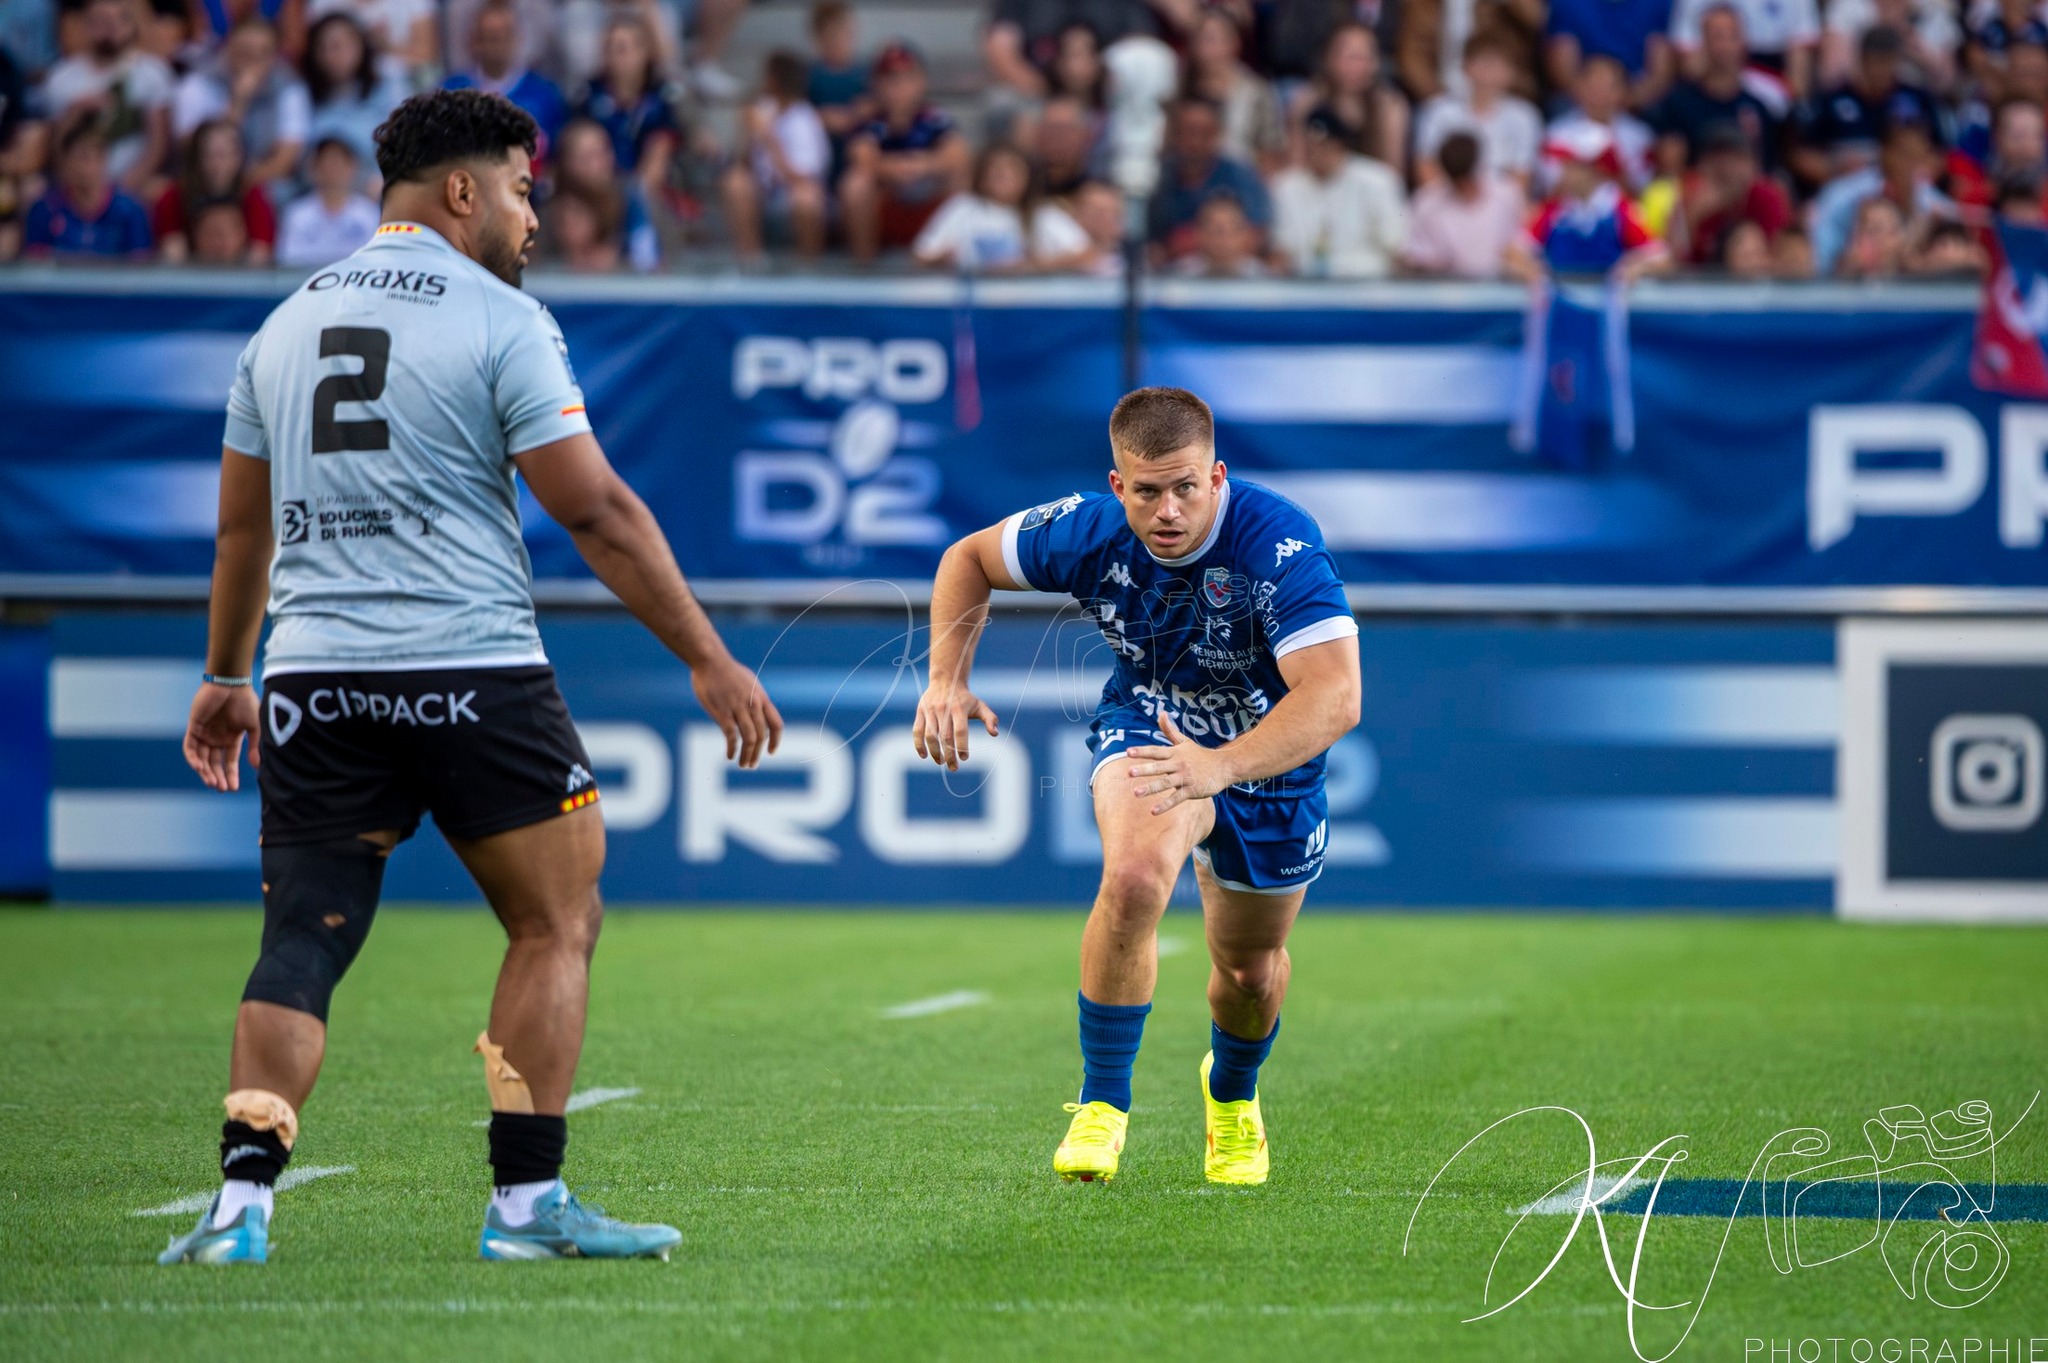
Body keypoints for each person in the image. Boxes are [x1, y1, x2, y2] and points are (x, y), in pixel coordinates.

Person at [162, 88, 782, 1268]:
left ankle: (241, 1206)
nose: (530, 216)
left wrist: (222, 673)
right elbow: (592, 507)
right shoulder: (501, 317)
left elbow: (242, 535)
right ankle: (524, 1208)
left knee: (302, 936)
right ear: (460, 191)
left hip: (314, 678)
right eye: (518, 187)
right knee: (555, 918)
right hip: (472, 669)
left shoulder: (282, 326)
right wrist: (705, 654)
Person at [912, 386, 1360, 1188]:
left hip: (1269, 761)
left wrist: (1220, 767)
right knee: (1133, 878)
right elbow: (967, 559)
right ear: (1117, 487)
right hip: (1151, 726)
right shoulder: (1087, 531)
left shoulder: (1279, 541)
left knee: (1250, 972)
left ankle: (1231, 1095)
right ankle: (1102, 1105)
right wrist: (945, 680)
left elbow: (1335, 695)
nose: (1168, 510)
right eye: (1147, 490)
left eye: (1186, 486)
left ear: (1217, 476)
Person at [838, 42, 969, 262]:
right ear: (877, 84)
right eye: (891, 80)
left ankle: (946, 259)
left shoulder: (934, 117)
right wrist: (891, 169)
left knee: (960, 175)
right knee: (855, 184)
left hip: (928, 208)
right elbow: (861, 156)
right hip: (886, 207)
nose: (900, 88)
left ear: (921, 82)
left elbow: (958, 153)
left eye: (908, 79)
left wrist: (925, 165)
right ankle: (863, 264)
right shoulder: (869, 119)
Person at [40, 0, 175, 196]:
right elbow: (54, 151)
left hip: (133, 182)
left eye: (119, 20)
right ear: (85, 26)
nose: (110, 29)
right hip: (76, 184)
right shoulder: (61, 79)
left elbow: (158, 145)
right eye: (101, 21)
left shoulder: (153, 73)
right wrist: (74, 113)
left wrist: (127, 185)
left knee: (159, 189)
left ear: (131, 26)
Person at [1507, 121, 1670, 280]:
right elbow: (1513, 253)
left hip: (1607, 305)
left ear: (1595, 169)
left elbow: (1662, 258)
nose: (1562, 171)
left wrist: (1635, 268)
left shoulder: (1621, 210)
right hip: (1560, 305)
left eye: (1572, 165)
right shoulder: (1554, 209)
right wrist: (1532, 271)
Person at [1790, 26, 1943, 186]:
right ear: (1862, 60)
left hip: (1907, 188)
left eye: (1889, 62)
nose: (1883, 70)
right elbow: (1801, 155)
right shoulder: (1833, 99)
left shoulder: (1916, 98)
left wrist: (1914, 173)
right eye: (1877, 62)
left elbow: (1939, 153)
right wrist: (1834, 170)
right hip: (1845, 187)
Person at [172, 16, 310, 193]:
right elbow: (192, 152)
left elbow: (284, 161)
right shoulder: (198, 84)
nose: (253, 60)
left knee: (279, 193)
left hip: (262, 181)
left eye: (263, 53)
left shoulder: (289, 87)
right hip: (207, 180)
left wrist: (239, 187)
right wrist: (238, 102)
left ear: (275, 57)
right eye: (245, 51)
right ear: (228, 48)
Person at [1650, 4, 1789, 174]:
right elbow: (1669, 171)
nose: (1725, 46)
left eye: (1732, 37)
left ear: (1744, 43)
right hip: (1695, 194)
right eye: (1717, 37)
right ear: (1703, 42)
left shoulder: (1758, 109)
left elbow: (1765, 173)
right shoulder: (1677, 104)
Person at [1269, 105, 1405, 278]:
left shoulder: (1378, 181)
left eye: (1325, 145)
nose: (1317, 153)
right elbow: (1282, 251)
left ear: (1341, 145)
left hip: (1367, 286)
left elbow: (1396, 246)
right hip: (1305, 286)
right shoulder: (1286, 187)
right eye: (1312, 146)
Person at [911, 139, 1087, 272]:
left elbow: (1086, 254)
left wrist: (1035, 265)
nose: (1003, 176)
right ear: (983, 175)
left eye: (1012, 170)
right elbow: (922, 255)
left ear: (1026, 177)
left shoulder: (1042, 214)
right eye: (996, 170)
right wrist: (943, 260)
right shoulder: (962, 208)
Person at [721, 48, 829, 260]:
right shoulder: (763, 109)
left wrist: (769, 139)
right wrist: (746, 133)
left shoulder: (804, 119)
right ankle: (751, 260)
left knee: (806, 198)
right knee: (735, 181)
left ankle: (809, 264)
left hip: (794, 198)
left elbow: (802, 179)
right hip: (763, 196)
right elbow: (741, 164)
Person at [1808, 116, 1952, 273]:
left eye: (1917, 156)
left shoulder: (1930, 199)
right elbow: (1819, 255)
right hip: (1845, 283)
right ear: (1885, 154)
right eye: (1905, 155)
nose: (1911, 165)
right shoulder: (1841, 194)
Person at [1147, 95, 1269, 262]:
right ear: (1174, 134)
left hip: (1231, 272)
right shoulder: (1157, 175)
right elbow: (1150, 243)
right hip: (1175, 276)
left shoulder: (1239, 174)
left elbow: (1256, 236)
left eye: (1205, 134)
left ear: (1217, 135)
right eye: (1189, 132)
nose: (1196, 142)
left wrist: (1197, 242)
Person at [444, 1, 570, 158]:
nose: (497, 46)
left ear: (518, 38)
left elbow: (555, 158)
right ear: (475, 41)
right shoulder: (452, 92)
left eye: (504, 36)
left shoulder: (545, 94)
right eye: (491, 37)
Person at [1414, 33, 1543, 186]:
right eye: (1483, 61)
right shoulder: (1438, 110)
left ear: (1513, 72)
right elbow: (1425, 166)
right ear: (1465, 65)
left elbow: (1522, 177)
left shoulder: (1525, 116)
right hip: (1446, 199)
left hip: (1501, 203)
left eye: (1497, 63)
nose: (1489, 69)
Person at [576, 14, 679, 202]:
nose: (615, 56)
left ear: (645, 52)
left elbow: (661, 150)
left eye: (622, 48)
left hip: (649, 194)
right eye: (609, 48)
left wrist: (634, 197)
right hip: (597, 192)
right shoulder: (589, 94)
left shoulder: (661, 96)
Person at [23, 115, 154, 257]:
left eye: (90, 158)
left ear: (103, 161)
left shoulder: (130, 211)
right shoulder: (45, 209)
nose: (84, 167)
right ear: (66, 163)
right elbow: (35, 268)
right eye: (78, 158)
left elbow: (140, 267)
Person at [1290, 23, 1408, 179]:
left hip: (1369, 193)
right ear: (1329, 59)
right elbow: (1295, 169)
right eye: (1350, 57)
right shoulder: (1307, 102)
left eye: (1364, 58)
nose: (1357, 66)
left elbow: (1393, 176)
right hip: (1318, 190)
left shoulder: (1390, 106)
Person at [1402, 129, 1526, 278]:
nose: (1466, 188)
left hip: (1499, 287)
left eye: (1469, 181)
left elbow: (1518, 248)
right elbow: (1416, 259)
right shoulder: (1426, 203)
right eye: (1459, 184)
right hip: (1444, 290)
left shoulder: (1507, 195)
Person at [154, 116, 277, 262]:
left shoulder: (254, 196)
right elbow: (170, 249)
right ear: (197, 157)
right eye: (210, 155)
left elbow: (260, 253)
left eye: (224, 155)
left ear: (239, 157)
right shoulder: (173, 197)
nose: (217, 164)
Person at [301, 11, 404, 184]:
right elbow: (301, 160)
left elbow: (402, 146)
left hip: (379, 187)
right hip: (322, 191)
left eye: (339, 46)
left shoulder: (388, 85)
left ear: (361, 45)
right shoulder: (304, 93)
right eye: (323, 48)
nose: (332, 55)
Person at [1184, 8, 1283, 174]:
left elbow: (1270, 150)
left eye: (1212, 40)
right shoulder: (1183, 88)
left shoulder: (1256, 92)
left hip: (1242, 179)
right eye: (1199, 39)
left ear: (1234, 43)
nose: (1205, 48)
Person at [552, 115, 658, 270]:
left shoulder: (634, 200)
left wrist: (617, 261)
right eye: (585, 158)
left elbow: (654, 262)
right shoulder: (548, 212)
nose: (595, 165)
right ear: (566, 162)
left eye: (601, 154)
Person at [1678, 120, 1791, 264]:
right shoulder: (1691, 198)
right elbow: (1677, 262)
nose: (1726, 170)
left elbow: (1782, 256)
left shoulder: (1767, 196)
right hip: (1706, 283)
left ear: (1751, 164)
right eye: (1716, 162)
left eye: (1734, 160)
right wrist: (1693, 216)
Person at [1544, 54, 1657, 191]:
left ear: (1623, 91)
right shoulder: (1556, 134)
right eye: (1594, 85)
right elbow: (1548, 193)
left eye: (1608, 87)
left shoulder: (1641, 137)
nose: (1600, 94)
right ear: (1580, 87)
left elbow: (1641, 197)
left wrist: (1612, 170)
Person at [1670, 0, 1819, 97]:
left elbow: (1801, 51)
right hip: (1710, 74)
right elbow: (1688, 60)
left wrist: (1794, 102)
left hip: (1771, 74)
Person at [1544, 0, 1675, 104]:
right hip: (1581, 97)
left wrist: (1625, 99)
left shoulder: (1657, 3)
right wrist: (1598, 97)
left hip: (1638, 96)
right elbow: (1564, 71)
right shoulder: (1567, 3)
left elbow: (1658, 73)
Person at [276, 133, 376, 264]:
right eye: (327, 162)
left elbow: (374, 262)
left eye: (338, 163)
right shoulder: (297, 215)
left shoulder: (369, 214)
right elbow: (288, 261)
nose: (332, 169)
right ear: (314, 168)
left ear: (352, 167)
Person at [1174, 191, 1268, 277]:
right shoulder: (1177, 276)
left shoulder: (1263, 278)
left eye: (1232, 229)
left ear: (1245, 234)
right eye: (1216, 230)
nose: (1224, 238)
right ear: (1198, 233)